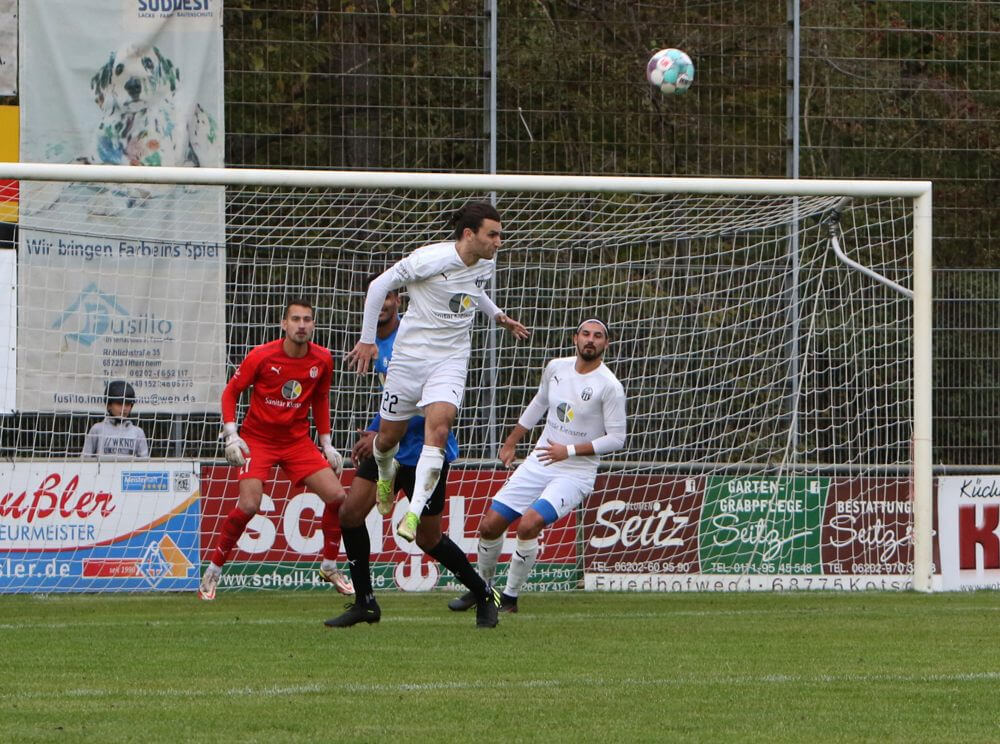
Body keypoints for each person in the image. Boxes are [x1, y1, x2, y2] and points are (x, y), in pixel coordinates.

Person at [345, 201, 529, 551]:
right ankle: (386, 473)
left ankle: (412, 514)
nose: (499, 241)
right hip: (411, 358)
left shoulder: (486, 261)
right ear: (469, 234)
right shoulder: (428, 260)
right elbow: (378, 287)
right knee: (386, 440)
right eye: (493, 234)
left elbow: (474, 291)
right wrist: (368, 340)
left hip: (451, 359)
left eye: (500, 235)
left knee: (440, 429)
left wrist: (498, 315)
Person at [325, 276, 499, 629]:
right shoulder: (374, 344)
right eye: (379, 298)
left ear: (399, 303)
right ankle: (365, 603)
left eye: (391, 297)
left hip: (425, 452)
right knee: (350, 514)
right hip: (389, 447)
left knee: (428, 538)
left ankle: (482, 593)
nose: (385, 303)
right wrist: (378, 428)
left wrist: (378, 428)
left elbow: (423, 401)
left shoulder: (413, 339)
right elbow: (394, 399)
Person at [448, 319, 627, 613]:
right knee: (490, 525)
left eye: (598, 336)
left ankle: (510, 598)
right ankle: (481, 589)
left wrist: (567, 450)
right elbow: (539, 402)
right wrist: (512, 440)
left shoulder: (609, 386)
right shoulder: (556, 367)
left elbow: (617, 438)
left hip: (575, 472)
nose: (590, 340)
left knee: (530, 523)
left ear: (606, 344)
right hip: (541, 459)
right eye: (585, 334)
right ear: (575, 339)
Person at [198, 299, 352, 601]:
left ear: (314, 325)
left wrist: (326, 443)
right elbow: (231, 392)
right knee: (249, 505)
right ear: (284, 324)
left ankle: (330, 566)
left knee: (338, 498)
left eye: (307, 319)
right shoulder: (262, 355)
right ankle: (213, 570)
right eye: (296, 319)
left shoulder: (322, 359)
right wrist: (232, 434)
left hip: (297, 442)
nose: (302, 325)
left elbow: (320, 399)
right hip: (258, 439)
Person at [81, 380, 149, 460]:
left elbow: (144, 463)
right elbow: (85, 459)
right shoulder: (97, 429)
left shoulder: (138, 432)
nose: (124, 408)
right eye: (119, 404)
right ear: (109, 405)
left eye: (127, 404)